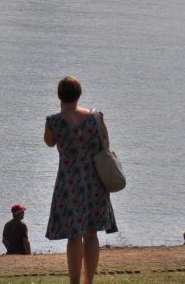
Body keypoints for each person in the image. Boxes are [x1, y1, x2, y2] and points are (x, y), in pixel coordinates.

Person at [44, 76, 117, 284]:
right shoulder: (96, 118)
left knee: (74, 236)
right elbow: (106, 144)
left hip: (69, 183)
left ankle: (74, 282)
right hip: (95, 182)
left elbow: (49, 143)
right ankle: (88, 282)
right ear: (79, 94)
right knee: (92, 234)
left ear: (60, 96)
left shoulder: (54, 122)